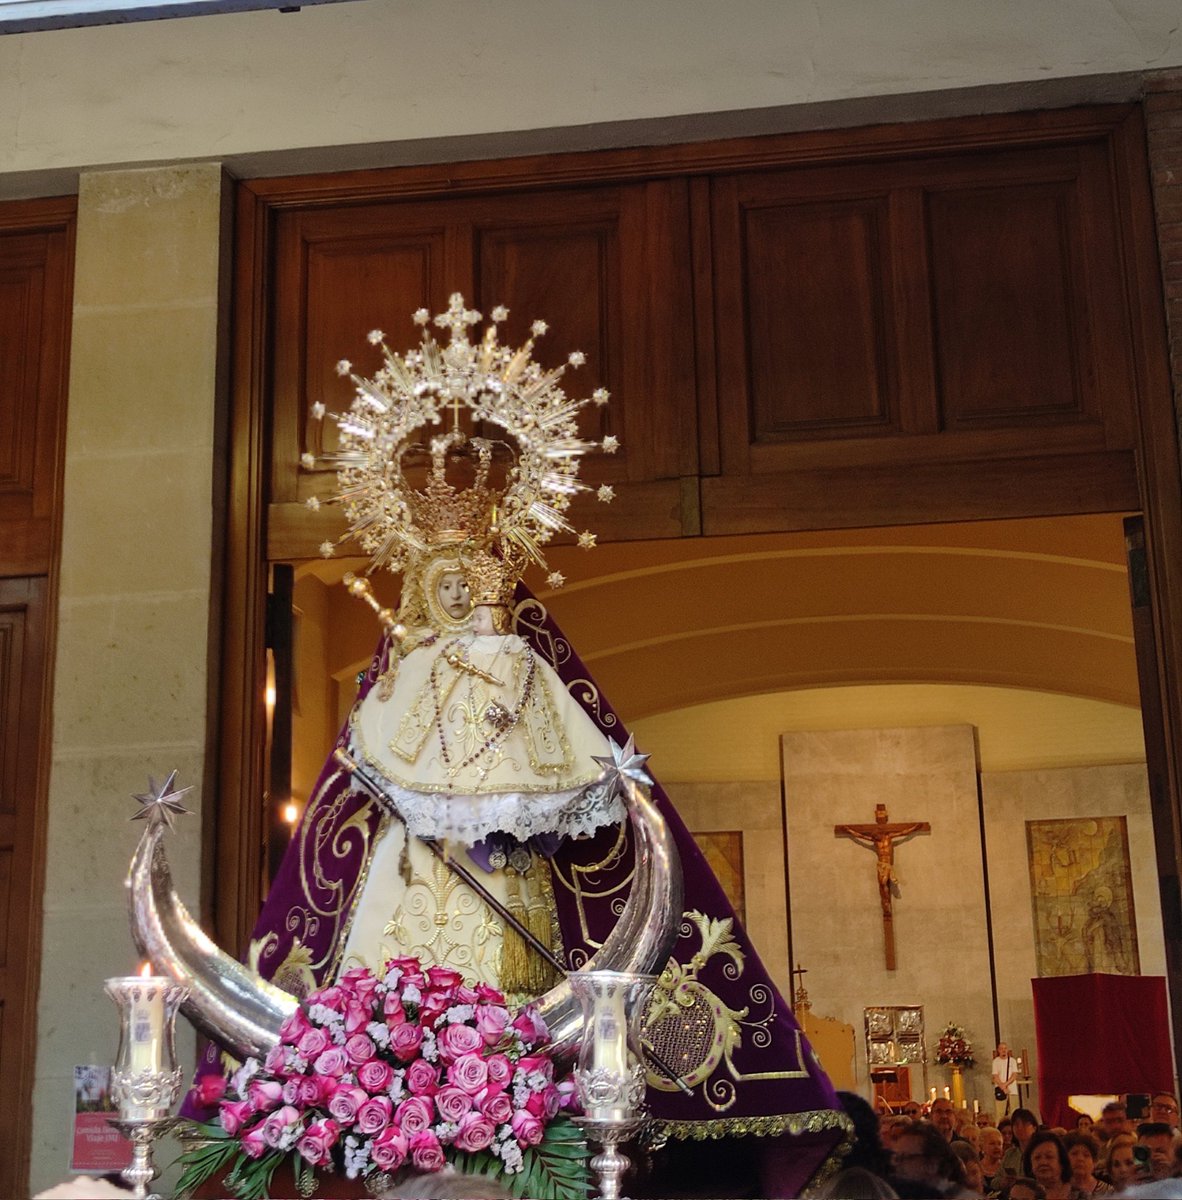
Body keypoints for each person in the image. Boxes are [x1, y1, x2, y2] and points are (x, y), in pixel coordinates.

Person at [181, 298, 850, 1196]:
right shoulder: (396, 680)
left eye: (473, 588)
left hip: (512, 889)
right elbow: (361, 791)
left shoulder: (527, 672)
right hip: (404, 896)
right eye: (442, 586)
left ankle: (499, 1088)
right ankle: (387, 1070)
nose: (461, 605)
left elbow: (580, 784)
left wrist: (505, 778)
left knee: (524, 987)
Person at [1023, 1131, 1086, 1199]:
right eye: (1037, 1158)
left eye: (1049, 1157)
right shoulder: (1022, 1196)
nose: (1043, 1162)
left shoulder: (1080, 1196)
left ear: (1062, 1163)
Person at [1003, 1109, 1041, 1178]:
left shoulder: (1039, 1152)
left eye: (1025, 1124)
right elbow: (995, 1179)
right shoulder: (1010, 1154)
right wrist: (1003, 1182)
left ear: (1034, 1128)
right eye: (1016, 1124)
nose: (1020, 1128)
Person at [993, 1043, 1020, 1120]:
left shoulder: (1012, 1061)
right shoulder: (996, 1061)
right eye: (1001, 1049)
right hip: (1000, 1090)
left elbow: (1014, 1075)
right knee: (1000, 1114)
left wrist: (1006, 1084)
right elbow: (995, 1076)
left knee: (1014, 1113)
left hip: (1012, 1090)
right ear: (998, 1050)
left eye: (1005, 1048)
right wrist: (1003, 1088)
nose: (1003, 1050)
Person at [980, 1126, 1005, 1192]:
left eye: (999, 1144)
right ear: (982, 1146)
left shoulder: (1005, 1168)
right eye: (992, 1143)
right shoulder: (977, 1168)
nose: (997, 1147)